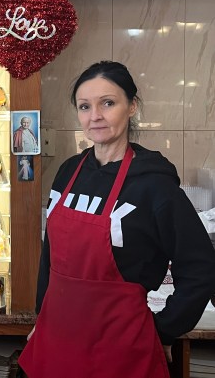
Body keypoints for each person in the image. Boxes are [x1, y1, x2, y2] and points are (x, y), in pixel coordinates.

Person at [18, 61, 215, 378]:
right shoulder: (70, 171)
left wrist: (163, 330)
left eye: (107, 103)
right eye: (85, 106)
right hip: (56, 344)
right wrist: (41, 318)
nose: (95, 116)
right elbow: (50, 258)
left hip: (121, 354)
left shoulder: (153, 185)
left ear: (132, 106)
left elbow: (200, 267)